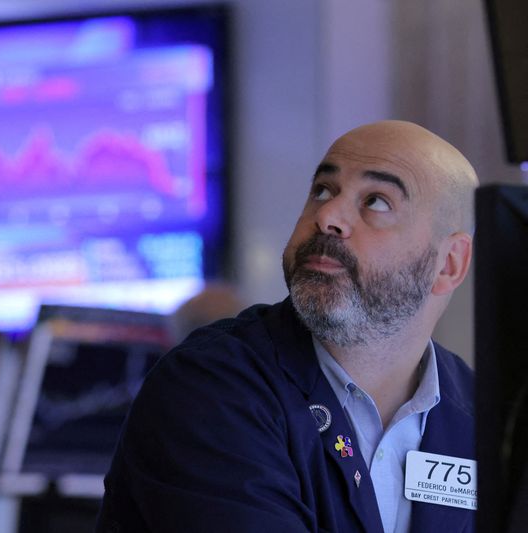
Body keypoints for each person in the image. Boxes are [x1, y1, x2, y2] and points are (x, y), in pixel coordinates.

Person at [96, 120, 479, 533]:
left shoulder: (486, 418)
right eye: (322, 191)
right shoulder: (210, 387)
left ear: (449, 263)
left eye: (377, 202)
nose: (328, 215)